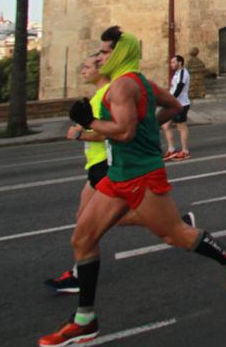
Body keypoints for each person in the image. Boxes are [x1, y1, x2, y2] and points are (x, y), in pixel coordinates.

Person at [38, 27, 226, 347]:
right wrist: (147, 123)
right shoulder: (142, 83)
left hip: (142, 174)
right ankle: (85, 320)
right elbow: (173, 106)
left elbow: (123, 132)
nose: (101, 57)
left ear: (121, 54)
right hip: (118, 174)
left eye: (107, 52)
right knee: (82, 238)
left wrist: (90, 122)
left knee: (175, 234)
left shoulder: (124, 86)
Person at [45, 53, 143, 294]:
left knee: (97, 220)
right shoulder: (99, 95)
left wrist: (81, 133)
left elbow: (112, 131)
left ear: (101, 69)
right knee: (85, 217)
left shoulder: (106, 95)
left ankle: (80, 278)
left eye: (87, 67)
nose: (82, 71)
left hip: (105, 165)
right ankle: (173, 224)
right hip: (95, 166)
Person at [162, 54, 191, 161]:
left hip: (180, 105)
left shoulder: (183, 72)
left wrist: (171, 100)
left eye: (173, 62)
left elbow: (179, 87)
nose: (171, 64)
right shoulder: (177, 73)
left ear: (180, 62)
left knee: (181, 127)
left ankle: (185, 151)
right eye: (171, 62)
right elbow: (174, 88)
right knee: (165, 125)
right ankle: (171, 149)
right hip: (174, 104)